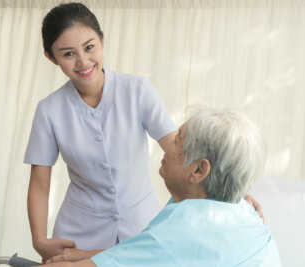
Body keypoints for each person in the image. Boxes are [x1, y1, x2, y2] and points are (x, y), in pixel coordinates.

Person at [24, 2, 177, 262]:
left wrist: (227, 194)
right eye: (68, 53)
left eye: (89, 47)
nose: (83, 61)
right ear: (51, 57)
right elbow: (39, 184)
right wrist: (39, 240)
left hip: (141, 228)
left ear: (102, 41)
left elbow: (178, 150)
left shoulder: (138, 91)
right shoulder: (49, 110)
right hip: (78, 234)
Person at [40, 105, 282, 266]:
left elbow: (162, 248)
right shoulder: (240, 211)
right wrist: (81, 255)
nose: (168, 146)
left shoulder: (187, 229)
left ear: (199, 170)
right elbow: (140, 254)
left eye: (178, 139)